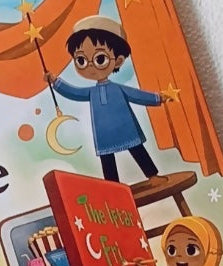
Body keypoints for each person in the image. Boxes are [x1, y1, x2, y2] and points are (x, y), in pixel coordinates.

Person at [44, 15, 174, 184]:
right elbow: (74, 92)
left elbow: (137, 95)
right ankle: (113, 187)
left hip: (126, 128)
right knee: (107, 160)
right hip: (103, 133)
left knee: (137, 150)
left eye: (100, 59)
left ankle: (152, 176)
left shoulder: (118, 89)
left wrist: (157, 98)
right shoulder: (91, 92)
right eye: (81, 60)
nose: (90, 66)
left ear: (118, 61)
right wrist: (55, 82)